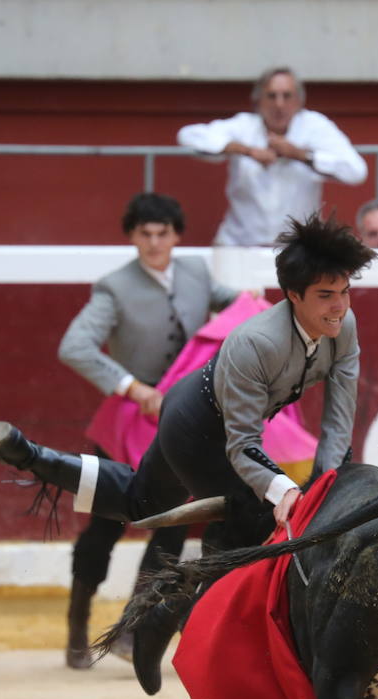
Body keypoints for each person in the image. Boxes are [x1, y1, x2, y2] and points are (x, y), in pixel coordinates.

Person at [0, 210, 374, 555]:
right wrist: (286, 491)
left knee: (139, 501)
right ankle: (210, 622)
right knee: (253, 514)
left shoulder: (343, 326)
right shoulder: (255, 343)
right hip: (196, 425)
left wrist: (324, 484)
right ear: (293, 295)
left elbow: (339, 418)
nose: (339, 307)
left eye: (344, 292)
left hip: (207, 410)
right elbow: (242, 445)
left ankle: (24, 452)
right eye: (325, 295)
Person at [54, 192, 241, 669]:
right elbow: (74, 346)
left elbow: (234, 306)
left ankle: (134, 629)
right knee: (105, 524)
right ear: (132, 236)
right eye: (145, 234)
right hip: (130, 422)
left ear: (177, 236)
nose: (155, 243)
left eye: (163, 233)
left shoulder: (196, 272)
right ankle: (78, 621)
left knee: (173, 528)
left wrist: (257, 303)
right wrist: (134, 388)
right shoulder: (114, 287)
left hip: (179, 424)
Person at [177, 67, 367, 246]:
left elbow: (356, 171)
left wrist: (300, 155)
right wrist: (247, 151)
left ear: (299, 101)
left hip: (299, 246)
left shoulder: (314, 126)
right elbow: (188, 135)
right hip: (240, 242)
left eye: (287, 96)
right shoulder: (245, 126)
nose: (279, 104)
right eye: (271, 96)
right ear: (258, 100)